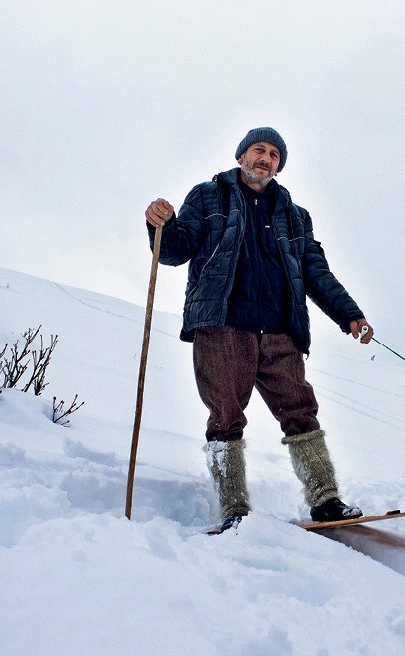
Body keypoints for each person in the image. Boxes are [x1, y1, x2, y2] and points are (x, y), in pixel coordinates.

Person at [144, 127, 373, 532]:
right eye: (259, 150)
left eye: (274, 155)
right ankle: (234, 507)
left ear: (279, 166)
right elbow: (175, 250)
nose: (266, 158)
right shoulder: (207, 197)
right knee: (226, 417)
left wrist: (348, 314)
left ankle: (325, 500)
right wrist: (160, 223)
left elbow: (315, 272)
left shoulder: (295, 216)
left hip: (280, 330)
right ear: (241, 156)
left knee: (301, 412)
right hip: (223, 326)